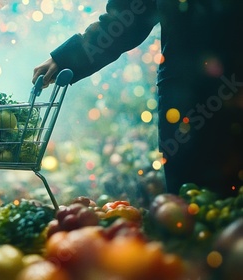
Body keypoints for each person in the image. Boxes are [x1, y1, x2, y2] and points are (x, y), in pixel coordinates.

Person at [33, 0, 243, 197]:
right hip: (189, 103)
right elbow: (130, 13)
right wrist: (66, 58)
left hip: (191, 99)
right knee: (195, 202)